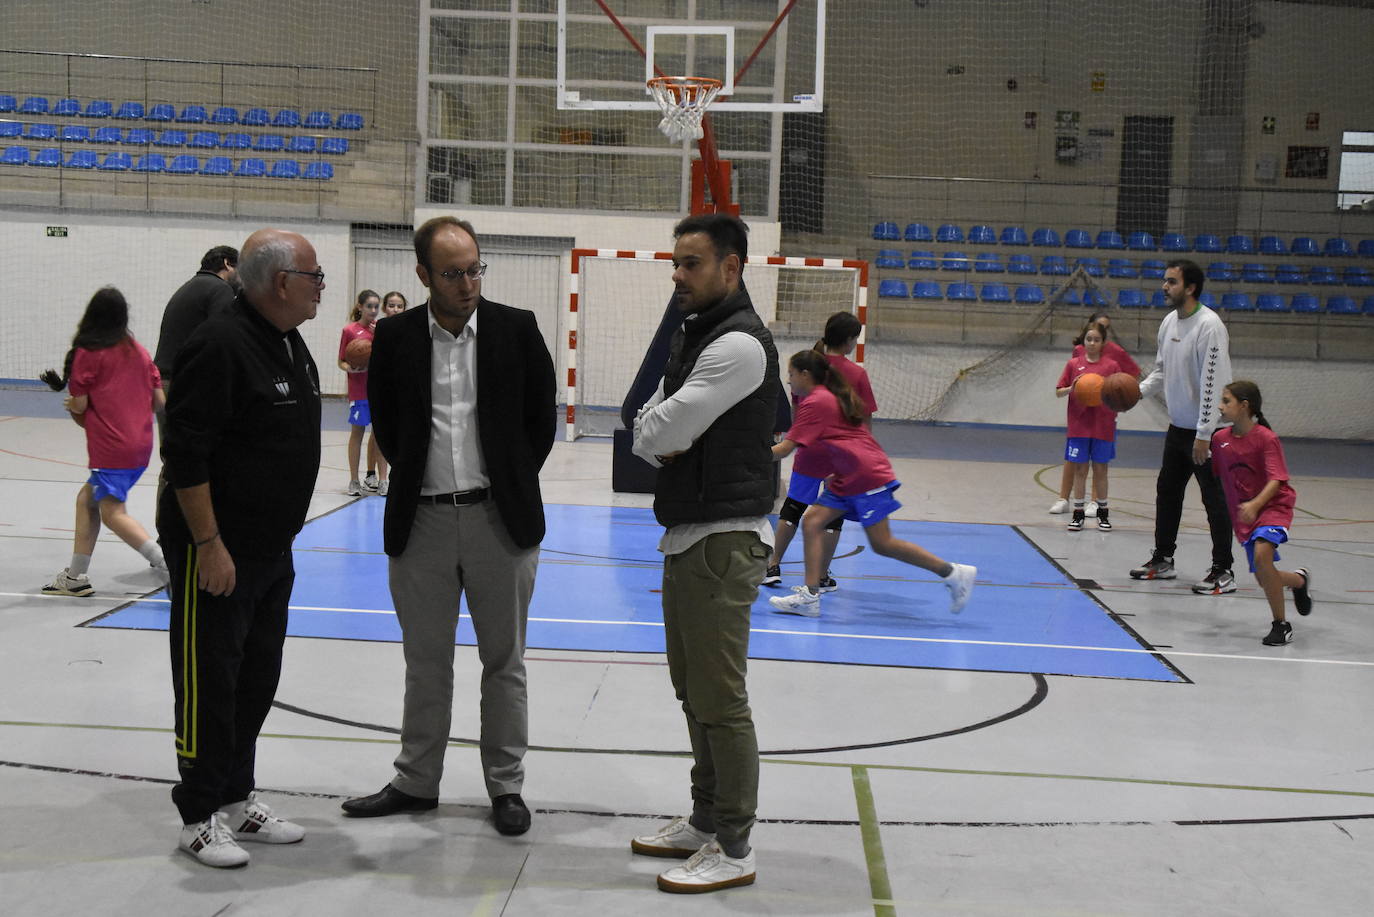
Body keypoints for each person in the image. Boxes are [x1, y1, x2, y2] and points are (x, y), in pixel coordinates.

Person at [341, 217, 556, 840]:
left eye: (475, 270)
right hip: (423, 523)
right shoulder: (397, 337)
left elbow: (538, 421)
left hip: (500, 522)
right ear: (423, 276)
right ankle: (415, 781)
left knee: (505, 662)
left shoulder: (517, 329)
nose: (468, 284)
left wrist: (510, 480)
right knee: (425, 662)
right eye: (453, 273)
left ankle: (506, 785)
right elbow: (387, 421)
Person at [157, 229, 324, 869]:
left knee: (256, 676)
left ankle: (235, 798)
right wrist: (208, 544)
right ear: (281, 283)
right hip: (217, 550)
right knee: (210, 678)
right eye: (314, 276)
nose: (320, 287)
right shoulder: (220, 344)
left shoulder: (287, 340)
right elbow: (186, 452)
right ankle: (197, 813)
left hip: (269, 548)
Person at [628, 213, 777, 894]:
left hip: (725, 537)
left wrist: (663, 430)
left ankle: (736, 843)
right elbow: (645, 432)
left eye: (691, 263)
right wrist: (661, 431)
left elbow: (666, 424)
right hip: (691, 532)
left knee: (721, 698)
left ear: (731, 267)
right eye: (676, 262)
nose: (678, 275)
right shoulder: (697, 335)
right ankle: (706, 816)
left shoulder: (740, 345)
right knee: (693, 692)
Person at [768, 349, 977, 618]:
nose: (789, 380)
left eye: (791, 374)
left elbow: (784, 449)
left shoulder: (815, 402)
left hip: (864, 473)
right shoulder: (824, 397)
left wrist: (745, 455)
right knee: (812, 521)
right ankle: (810, 597)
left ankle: (952, 572)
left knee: (883, 543)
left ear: (805, 374)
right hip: (848, 474)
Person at [38, 287, 167, 596]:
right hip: (141, 445)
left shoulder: (88, 353)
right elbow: (159, 401)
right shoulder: (138, 350)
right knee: (87, 500)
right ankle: (75, 577)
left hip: (111, 448)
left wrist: (73, 406)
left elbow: (80, 406)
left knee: (112, 513)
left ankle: (166, 562)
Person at [1129, 259, 1236, 593]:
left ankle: (1223, 571)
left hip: (1208, 433)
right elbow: (1161, 370)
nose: (1165, 286)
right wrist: (1137, 392)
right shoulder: (1168, 323)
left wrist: (1205, 433)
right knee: (1168, 492)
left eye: (1172, 282)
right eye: (1164, 280)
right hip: (1178, 428)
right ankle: (1163, 559)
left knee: (1214, 500)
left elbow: (1213, 384)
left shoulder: (1209, 326)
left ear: (1190, 287)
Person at [761, 311, 876, 592]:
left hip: (809, 450)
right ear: (850, 341)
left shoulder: (808, 369)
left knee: (794, 507)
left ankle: (773, 565)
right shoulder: (857, 374)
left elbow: (798, 413)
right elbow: (864, 419)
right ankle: (821, 575)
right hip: (841, 455)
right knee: (833, 513)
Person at [1211, 381, 1312, 646]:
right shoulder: (1219, 440)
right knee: (1264, 576)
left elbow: (1277, 479)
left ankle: (1281, 625)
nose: (1220, 406)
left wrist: (1256, 504)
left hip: (1272, 507)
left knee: (1262, 555)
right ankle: (1299, 581)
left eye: (1226, 401)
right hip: (1244, 516)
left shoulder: (1267, 438)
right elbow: (1221, 480)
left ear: (1245, 406)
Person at [1049, 310, 1139, 515]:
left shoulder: (1115, 354)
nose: (1098, 335)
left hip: (1103, 418)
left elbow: (1131, 377)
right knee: (1073, 460)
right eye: (1098, 326)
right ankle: (1064, 498)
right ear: (1088, 328)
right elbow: (1067, 384)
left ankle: (1096, 501)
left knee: (1099, 464)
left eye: (1106, 328)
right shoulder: (1078, 353)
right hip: (1080, 418)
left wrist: (1120, 397)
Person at [1055, 319, 1122, 532]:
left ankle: (1103, 513)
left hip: (1103, 425)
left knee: (1101, 469)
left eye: (1097, 340)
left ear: (1103, 342)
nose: (1092, 343)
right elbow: (1058, 391)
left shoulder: (1111, 366)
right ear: (1083, 341)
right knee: (1080, 470)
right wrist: (1071, 389)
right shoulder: (1073, 365)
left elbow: (1119, 392)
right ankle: (1078, 514)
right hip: (1079, 425)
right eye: (1089, 339)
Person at [153, 245, 239, 396]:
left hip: (164, 380)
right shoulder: (221, 289)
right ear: (227, 264)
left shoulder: (188, 287)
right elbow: (223, 337)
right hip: (186, 382)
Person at [339, 289, 385, 495]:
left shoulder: (382, 330)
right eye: (369, 306)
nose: (373, 310)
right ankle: (354, 480)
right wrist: (349, 367)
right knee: (357, 433)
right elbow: (341, 360)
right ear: (360, 307)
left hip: (379, 389)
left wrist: (379, 337)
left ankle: (382, 479)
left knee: (381, 435)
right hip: (359, 390)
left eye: (376, 306)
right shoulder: (349, 331)